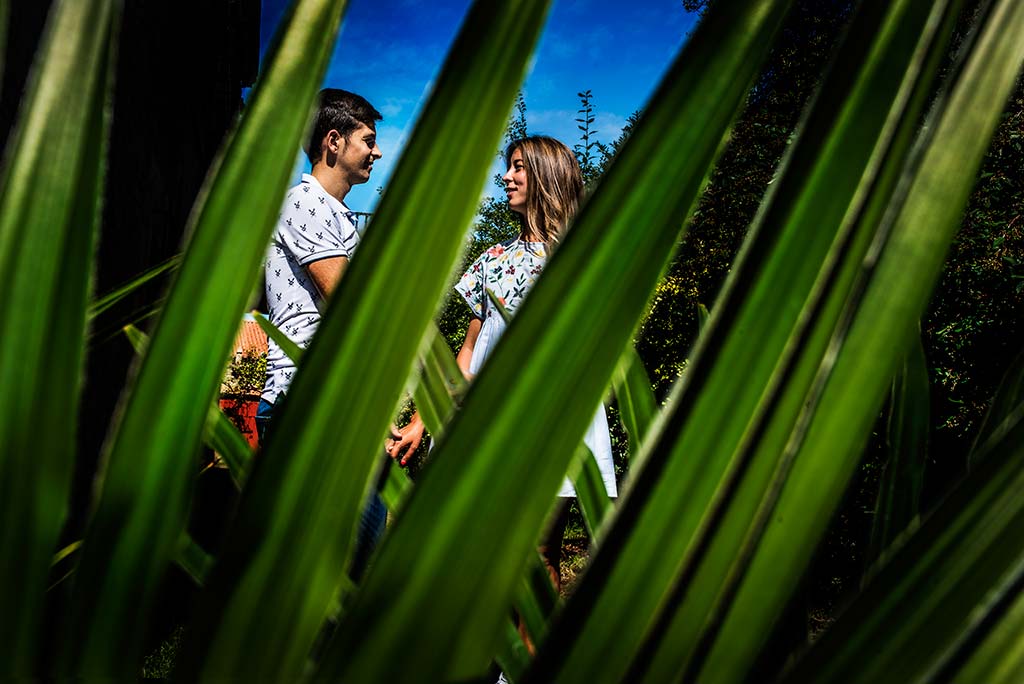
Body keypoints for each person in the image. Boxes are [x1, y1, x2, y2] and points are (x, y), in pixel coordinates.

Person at [388, 135, 618, 592]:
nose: (506, 177)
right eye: (507, 167)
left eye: (517, 167)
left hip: (553, 420)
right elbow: (470, 351)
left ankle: (528, 664)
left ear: (546, 175)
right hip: (487, 420)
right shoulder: (491, 259)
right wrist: (423, 419)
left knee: (538, 555)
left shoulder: (584, 258)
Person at [256, 88, 384, 580]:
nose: (377, 151)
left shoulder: (333, 213)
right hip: (301, 398)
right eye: (367, 140)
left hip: (331, 396)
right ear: (334, 141)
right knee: (328, 564)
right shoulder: (305, 203)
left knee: (356, 547)